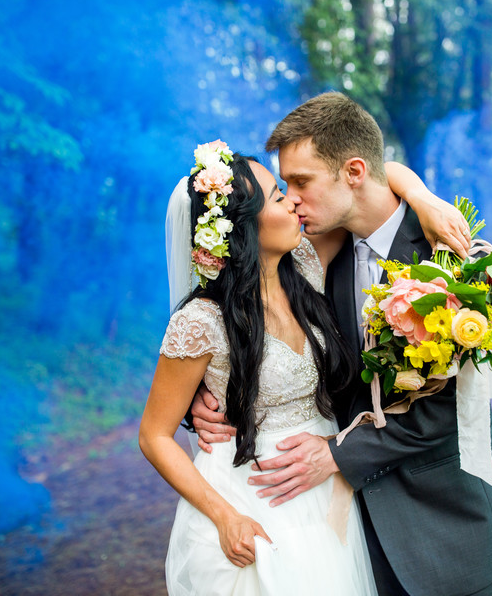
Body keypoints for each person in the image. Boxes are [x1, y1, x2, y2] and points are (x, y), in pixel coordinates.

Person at [191, 93, 492, 596]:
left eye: (301, 182)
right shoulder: (316, 256)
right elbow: (237, 325)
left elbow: (452, 410)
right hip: (345, 541)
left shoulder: (458, 259)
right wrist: (205, 396)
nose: (291, 198)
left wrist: (335, 455)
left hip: (443, 527)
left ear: (355, 171)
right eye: (285, 186)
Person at [139, 139, 471, 595]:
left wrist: (423, 199)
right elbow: (153, 436)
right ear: (243, 228)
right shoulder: (201, 321)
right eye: (278, 195)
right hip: (247, 497)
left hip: (324, 490)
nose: (293, 201)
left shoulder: (306, 265)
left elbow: (374, 176)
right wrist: (224, 515)